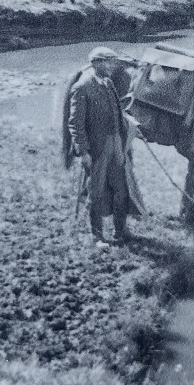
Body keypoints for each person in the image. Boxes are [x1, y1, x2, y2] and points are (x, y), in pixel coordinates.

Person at [68, 47, 144, 247]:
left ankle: (120, 233)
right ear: (97, 63)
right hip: (97, 148)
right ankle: (97, 236)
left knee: (121, 189)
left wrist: (128, 127)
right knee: (97, 191)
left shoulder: (109, 83)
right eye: (109, 62)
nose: (113, 66)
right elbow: (75, 124)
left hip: (116, 145)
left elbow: (116, 111)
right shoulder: (82, 87)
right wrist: (83, 151)